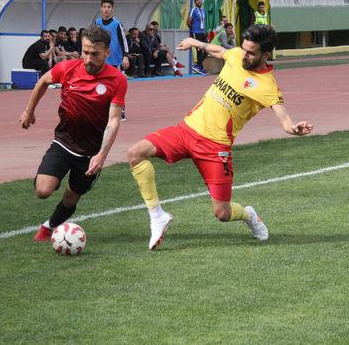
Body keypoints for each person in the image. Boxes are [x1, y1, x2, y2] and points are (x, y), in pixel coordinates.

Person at [127, 25, 313, 250]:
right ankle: (157, 216)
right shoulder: (237, 55)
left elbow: (283, 118)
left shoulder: (267, 86)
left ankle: (249, 215)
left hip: (215, 148)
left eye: (251, 52)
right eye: (244, 49)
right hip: (185, 130)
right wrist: (194, 43)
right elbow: (219, 51)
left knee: (222, 213)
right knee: (135, 153)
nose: (244, 54)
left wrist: (294, 128)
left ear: (266, 55)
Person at [20, 26, 128, 242]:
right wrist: (29, 111)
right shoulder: (67, 68)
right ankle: (54, 174)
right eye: (85, 52)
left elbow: (114, 120)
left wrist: (102, 155)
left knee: (71, 198)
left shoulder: (117, 80)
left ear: (107, 53)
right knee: (43, 190)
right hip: (64, 142)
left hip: (91, 153)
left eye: (94, 54)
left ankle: (50, 226)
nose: (88, 58)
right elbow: (43, 81)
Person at [94, 0, 129, 71]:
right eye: (104, 7)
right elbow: (93, 40)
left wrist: (125, 56)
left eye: (109, 7)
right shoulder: (97, 22)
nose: (106, 9)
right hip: (102, 59)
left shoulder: (117, 24)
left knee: (116, 82)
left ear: (112, 9)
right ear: (101, 9)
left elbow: (124, 41)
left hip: (115, 60)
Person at [188, 0, 208, 74]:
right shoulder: (193, 10)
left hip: (203, 32)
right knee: (199, 50)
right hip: (196, 32)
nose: (199, 1)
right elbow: (188, 22)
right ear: (195, 2)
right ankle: (200, 67)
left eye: (200, 0)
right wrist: (193, 30)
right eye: (197, 0)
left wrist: (204, 31)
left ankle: (198, 66)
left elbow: (203, 22)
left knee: (207, 50)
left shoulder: (203, 10)